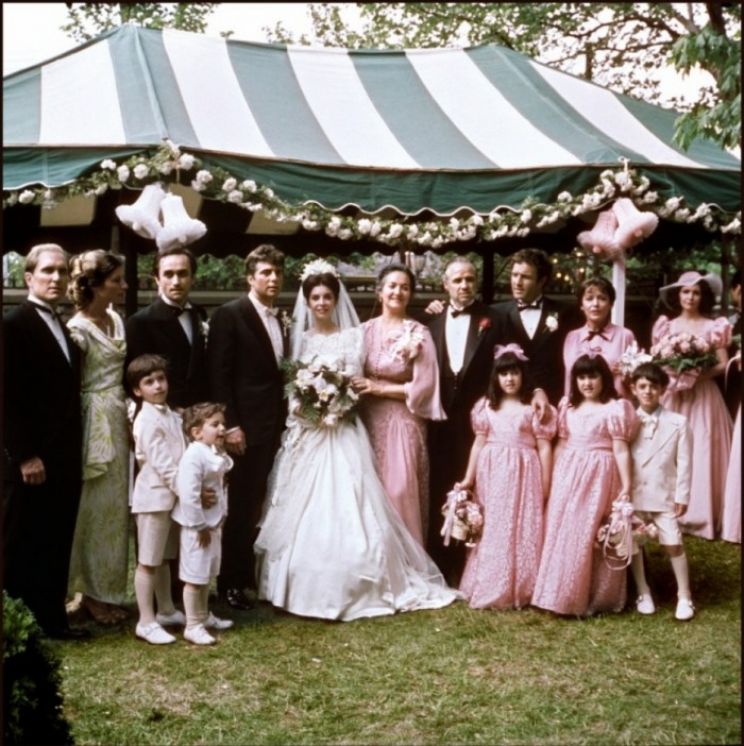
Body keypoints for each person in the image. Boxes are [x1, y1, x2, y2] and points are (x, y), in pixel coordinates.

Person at [255, 262, 458, 621]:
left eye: (327, 296)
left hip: (346, 429)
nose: (321, 303)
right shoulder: (300, 338)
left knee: (363, 500)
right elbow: (292, 386)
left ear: (337, 299)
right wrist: (308, 409)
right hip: (312, 432)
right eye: (315, 297)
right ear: (307, 301)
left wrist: (337, 404)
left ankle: (375, 574)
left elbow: (355, 381)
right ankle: (295, 583)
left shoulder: (353, 337)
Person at [3, 244, 86, 639]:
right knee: (19, 543)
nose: (56, 278)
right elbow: (7, 396)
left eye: (63, 271)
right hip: (31, 459)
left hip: (63, 457)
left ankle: (52, 620)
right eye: (48, 270)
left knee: (54, 541)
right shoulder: (13, 324)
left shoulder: (63, 325)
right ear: (28, 277)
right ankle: (14, 629)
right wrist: (25, 455)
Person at [207, 244, 289, 609]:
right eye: (266, 273)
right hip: (245, 427)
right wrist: (232, 425)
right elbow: (219, 374)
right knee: (240, 506)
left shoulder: (281, 318)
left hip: (276, 426)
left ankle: (252, 574)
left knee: (262, 502)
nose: (273, 279)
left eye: (277, 273)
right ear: (250, 277)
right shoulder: (230, 314)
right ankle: (230, 582)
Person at [532, 354, 638, 617]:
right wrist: (553, 479)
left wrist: (626, 485)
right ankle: (558, 593)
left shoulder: (615, 408)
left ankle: (591, 594)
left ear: (604, 378)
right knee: (563, 529)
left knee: (588, 530)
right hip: (568, 472)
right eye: (581, 378)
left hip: (599, 474)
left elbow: (621, 449)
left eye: (593, 377)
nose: (587, 383)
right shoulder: (568, 408)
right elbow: (561, 445)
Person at [456, 345, 556, 610]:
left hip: (525, 473)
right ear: (496, 377)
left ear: (523, 375)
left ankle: (522, 586)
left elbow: (545, 448)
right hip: (493, 473)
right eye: (504, 374)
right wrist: (468, 478)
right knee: (494, 524)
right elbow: (478, 444)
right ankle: (491, 583)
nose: (509, 379)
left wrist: (546, 485)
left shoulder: (532, 408)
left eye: (514, 373)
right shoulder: (486, 407)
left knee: (522, 525)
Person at [354, 264, 446, 545]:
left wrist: (380, 388)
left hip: (403, 421)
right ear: (379, 291)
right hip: (366, 420)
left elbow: (425, 386)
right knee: (367, 490)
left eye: (404, 287)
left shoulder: (419, 333)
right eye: (392, 286)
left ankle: (404, 559)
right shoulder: (363, 331)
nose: (398, 292)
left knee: (399, 489)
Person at [424, 257, 501, 584]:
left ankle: (472, 559)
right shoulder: (431, 322)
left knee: (475, 486)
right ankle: (441, 559)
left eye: (469, 279)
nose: (464, 285)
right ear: (446, 285)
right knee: (440, 485)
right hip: (440, 420)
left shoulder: (494, 319)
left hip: (477, 419)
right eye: (457, 280)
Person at [66, 250, 130, 625]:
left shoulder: (116, 319)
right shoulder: (77, 330)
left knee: (115, 510)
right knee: (92, 509)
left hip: (118, 416)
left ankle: (106, 590)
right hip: (93, 421)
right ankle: (87, 594)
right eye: (116, 280)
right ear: (95, 285)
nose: (124, 286)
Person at [653, 270, 733, 540]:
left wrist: (696, 376)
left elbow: (723, 364)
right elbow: (657, 361)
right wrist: (674, 375)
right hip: (673, 395)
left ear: (702, 297)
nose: (690, 297)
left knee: (701, 445)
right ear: (678, 295)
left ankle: (699, 514)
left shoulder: (713, 326)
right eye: (686, 292)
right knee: (669, 447)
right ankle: (664, 510)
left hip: (702, 395)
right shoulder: (667, 326)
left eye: (696, 292)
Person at [128, 354, 188, 645]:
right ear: (137, 390)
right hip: (153, 498)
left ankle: (166, 610)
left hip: (170, 497)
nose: (158, 386)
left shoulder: (171, 415)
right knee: (148, 561)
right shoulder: (146, 419)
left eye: (161, 379)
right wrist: (187, 490)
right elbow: (162, 463)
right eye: (149, 382)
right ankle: (145, 620)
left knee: (164, 557)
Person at [628, 363, 694, 621]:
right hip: (635, 495)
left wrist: (682, 495)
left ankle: (684, 595)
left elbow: (684, 462)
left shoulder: (678, 423)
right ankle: (643, 591)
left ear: (663, 390)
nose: (648, 391)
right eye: (642, 386)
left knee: (673, 543)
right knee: (633, 541)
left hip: (663, 494)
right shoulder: (627, 420)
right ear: (633, 389)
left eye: (653, 386)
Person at [173, 403, 235, 645]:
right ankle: (192, 625)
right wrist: (199, 525)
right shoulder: (193, 456)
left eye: (223, 424)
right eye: (215, 424)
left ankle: (203, 615)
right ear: (197, 432)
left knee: (206, 573)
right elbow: (189, 496)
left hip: (212, 524)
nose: (222, 429)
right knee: (194, 576)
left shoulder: (211, 451)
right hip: (197, 528)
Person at [125, 247, 209, 410]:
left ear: (193, 278)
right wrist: (170, 409)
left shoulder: (198, 313)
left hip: (200, 411)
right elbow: (134, 379)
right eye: (168, 274)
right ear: (157, 279)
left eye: (182, 274)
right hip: (162, 413)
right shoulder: (140, 322)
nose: (176, 282)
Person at [490, 248, 573, 405]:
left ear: (542, 281)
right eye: (514, 275)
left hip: (553, 400)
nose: (517, 282)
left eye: (525, 277)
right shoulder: (496, 313)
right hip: (510, 403)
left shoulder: (566, 313)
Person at [562, 276, 637, 399]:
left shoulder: (625, 336)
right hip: (581, 407)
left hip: (616, 406)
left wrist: (627, 375)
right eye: (589, 299)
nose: (595, 304)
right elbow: (569, 380)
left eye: (602, 298)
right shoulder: (572, 337)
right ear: (581, 305)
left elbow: (636, 381)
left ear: (611, 304)